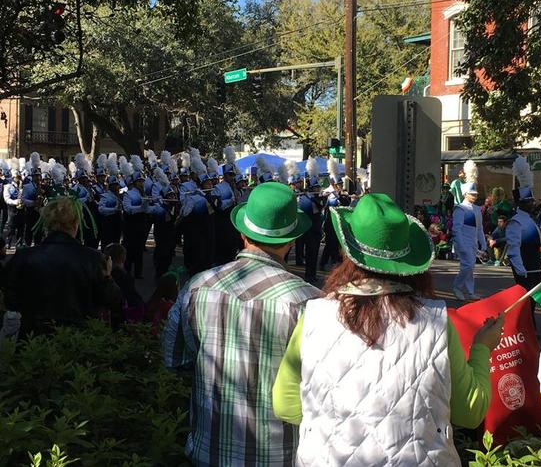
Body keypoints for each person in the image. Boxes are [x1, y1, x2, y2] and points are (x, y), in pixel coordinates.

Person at [272, 193, 503, 466]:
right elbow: (470, 411)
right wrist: (481, 348)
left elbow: (285, 405)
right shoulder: (436, 320)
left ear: (347, 255)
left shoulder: (314, 316)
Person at [163, 182, 320, 466]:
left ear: (242, 232)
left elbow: (173, 358)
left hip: (207, 451)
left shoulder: (197, 287)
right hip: (279, 456)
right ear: (292, 240)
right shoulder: (310, 302)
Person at [1, 197, 120, 336]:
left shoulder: (24, 256)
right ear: (76, 223)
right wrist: (107, 278)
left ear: (47, 223)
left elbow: (10, 300)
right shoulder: (93, 258)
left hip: (34, 338)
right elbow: (112, 300)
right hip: (77, 338)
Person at [507, 157, 541, 318]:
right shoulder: (515, 222)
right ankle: (527, 328)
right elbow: (514, 248)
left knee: (532, 301)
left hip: (535, 265)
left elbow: (536, 240)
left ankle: (530, 327)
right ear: (521, 203)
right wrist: (520, 268)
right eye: (528, 201)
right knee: (525, 300)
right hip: (525, 266)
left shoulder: (529, 219)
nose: (532, 203)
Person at [452, 160, 486, 300]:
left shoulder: (477, 209)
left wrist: (482, 242)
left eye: (475, 194)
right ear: (465, 194)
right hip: (463, 241)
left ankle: (470, 291)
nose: (474, 196)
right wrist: (460, 245)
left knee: (471, 268)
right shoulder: (460, 209)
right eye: (472, 194)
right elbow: (456, 229)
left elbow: (479, 228)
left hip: (472, 241)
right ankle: (457, 287)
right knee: (467, 265)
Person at [105, 242, 144, 322]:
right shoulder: (125, 277)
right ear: (123, 258)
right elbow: (132, 297)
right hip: (121, 312)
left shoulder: (104, 273)